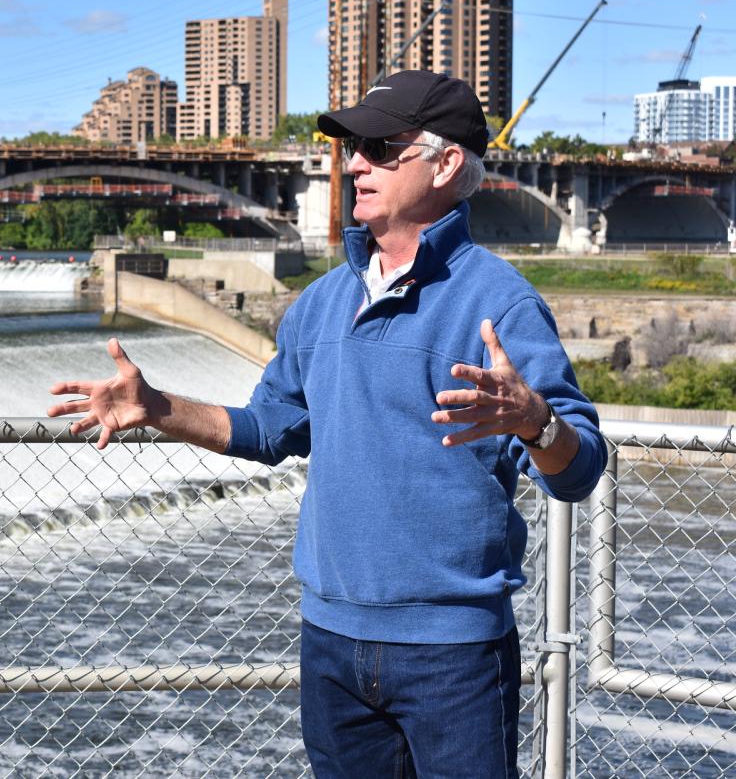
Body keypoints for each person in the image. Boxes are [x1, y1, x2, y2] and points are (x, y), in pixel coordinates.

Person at [47, 70, 608, 778]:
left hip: (452, 657)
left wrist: (534, 422)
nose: (356, 163)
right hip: (331, 645)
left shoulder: (501, 305)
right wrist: (157, 408)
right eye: (353, 147)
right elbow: (269, 428)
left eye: (380, 146)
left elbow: (580, 468)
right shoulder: (319, 303)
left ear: (446, 163)